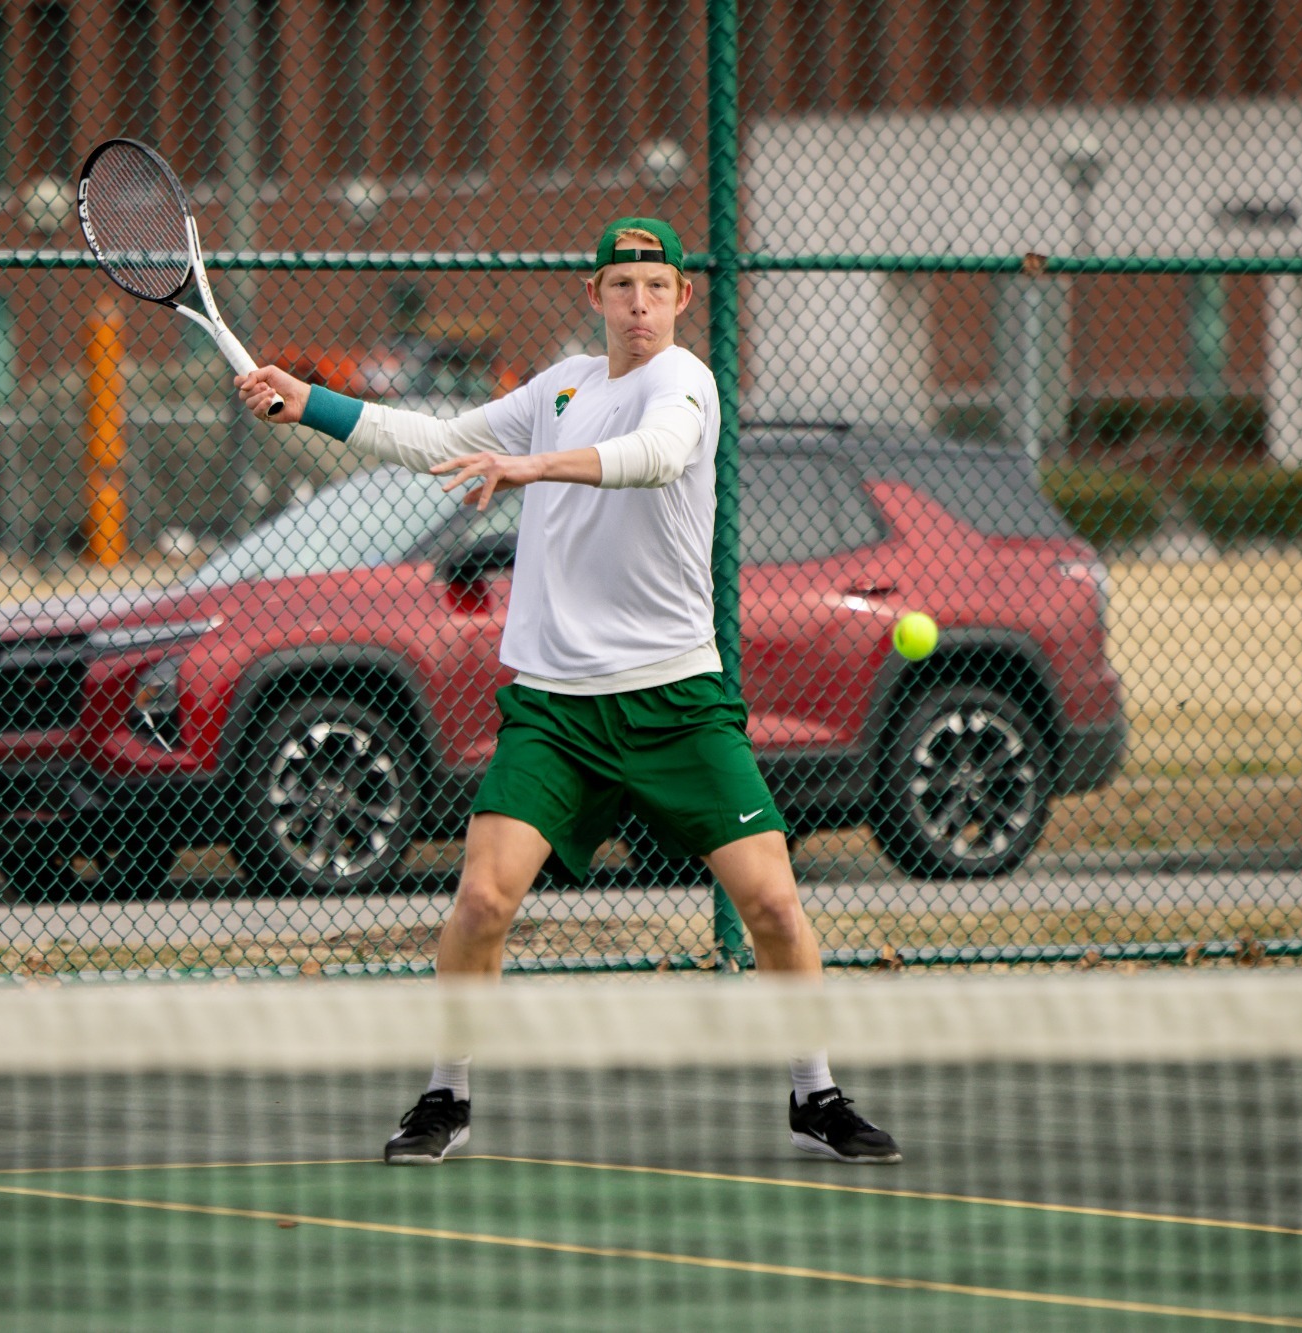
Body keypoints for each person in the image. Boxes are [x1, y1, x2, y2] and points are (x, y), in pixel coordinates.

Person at [237, 217, 900, 1167]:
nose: (640, 304)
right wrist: (313, 405)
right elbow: (438, 441)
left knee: (774, 905)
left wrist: (534, 466)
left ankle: (815, 1091)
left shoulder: (686, 382)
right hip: (554, 708)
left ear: (683, 297)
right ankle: (445, 1094)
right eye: (622, 286)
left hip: (677, 698)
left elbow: (656, 455)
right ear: (596, 295)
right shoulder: (559, 388)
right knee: (481, 900)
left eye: (656, 287)